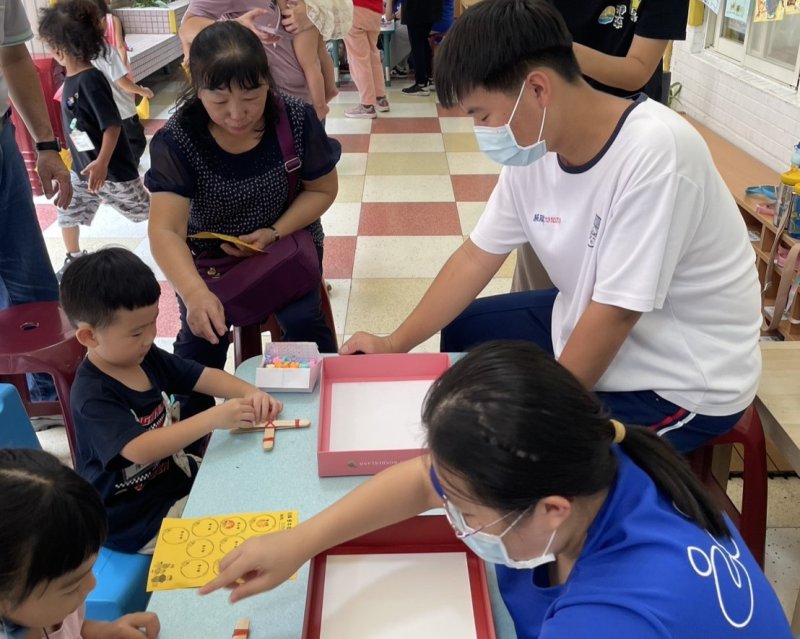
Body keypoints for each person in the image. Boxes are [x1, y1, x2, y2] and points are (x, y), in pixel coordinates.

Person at [341, 0, 762, 454]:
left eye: (482, 116)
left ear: (538, 89)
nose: (483, 132)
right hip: (590, 318)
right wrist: (394, 342)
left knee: (516, 462)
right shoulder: (537, 148)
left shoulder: (657, 154)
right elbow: (476, 256)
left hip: (678, 378)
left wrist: (536, 423)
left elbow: (616, 313)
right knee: (466, 333)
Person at [201, 342, 792, 639]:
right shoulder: (593, 453)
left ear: (551, 510)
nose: (454, 517)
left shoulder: (606, 619)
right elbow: (422, 479)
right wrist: (301, 541)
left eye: (465, 510)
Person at [146, 22, 339, 419]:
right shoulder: (179, 139)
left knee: (303, 321)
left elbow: (322, 190)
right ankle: (193, 438)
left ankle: (322, 414)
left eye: (251, 97)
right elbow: (165, 230)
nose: (237, 114)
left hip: (283, 250)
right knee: (200, 342)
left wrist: (274, 232)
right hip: (210, 265)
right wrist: (194, 293)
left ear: (268, 81)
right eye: (219, 100)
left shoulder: (295, 119)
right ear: (197, 87)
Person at [60, 248, 284, 553]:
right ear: (89, 336)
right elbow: (138, 449)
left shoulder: (143, 356)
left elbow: (199, 375)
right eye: (136, 332)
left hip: (173, 479)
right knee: (241, 529)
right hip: (134, 518)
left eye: (153, 322)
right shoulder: (92, 395)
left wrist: (250, 392)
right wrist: (213, 419)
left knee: (251, 477)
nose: (149, 337)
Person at [512, 0, 691, 292]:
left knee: (610, 262)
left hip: (625, 137)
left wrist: (558, 52)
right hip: (552, 124)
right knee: (540, 248)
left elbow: (637, 71)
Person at [38, 0, 150, 279]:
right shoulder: (70, 80)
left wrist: (101, 163)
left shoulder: (91, 80)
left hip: (112, 171)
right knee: (68, 210)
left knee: (146, 211)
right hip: (82, 170)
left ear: (60, 49)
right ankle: (73, 257)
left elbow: (112, 126)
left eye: (50, 46)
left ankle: (183, 227)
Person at [0, 448, 160, 639]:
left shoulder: (50, 604)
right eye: (71, 587)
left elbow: (75, 626)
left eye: (90, 569)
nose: (92, 584)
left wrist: (107, 631)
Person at [0, 0, 72, 413]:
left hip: (2, 134)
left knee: (33, 284)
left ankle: (49, 397)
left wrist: (46, 146)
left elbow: (12, 54)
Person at [90, 0, 152, 165]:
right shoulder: (106, 51)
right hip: (122, 110)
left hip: (102, 110)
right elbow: (122, 82)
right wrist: (142, 91)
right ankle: (129, 168)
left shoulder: (82, 54)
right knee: (135, 140)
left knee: (112, 142)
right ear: (100, 21)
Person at [343, 0, 390, 119]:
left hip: (355, 8)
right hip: (375, 10)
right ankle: (380, 98)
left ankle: (367, 105)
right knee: (373, 55)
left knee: (359, 58)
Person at [400, 0, 443, 95]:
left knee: (417, 44)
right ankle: (430, 78)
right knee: (423, 41)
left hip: (415, 9)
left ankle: (421, 83)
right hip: (431, 9)